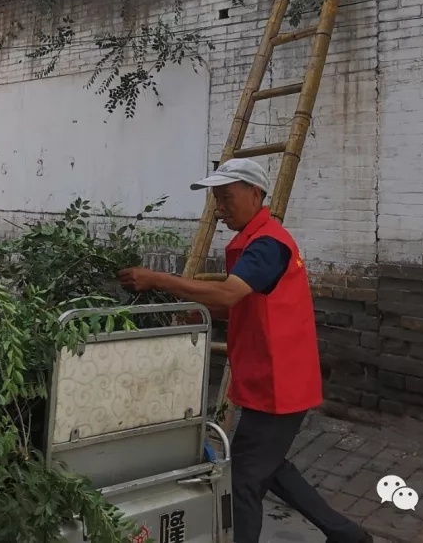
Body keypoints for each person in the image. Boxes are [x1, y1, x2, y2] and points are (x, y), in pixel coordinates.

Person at [118, 158, 373, 543]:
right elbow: (238, 303)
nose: (219, 208)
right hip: (268, 376)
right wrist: (196, 310)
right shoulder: (257, 242)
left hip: (280, 384)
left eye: (225, 197)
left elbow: (229, 292)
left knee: (243, 481)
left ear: (255, 194)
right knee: (269, 468)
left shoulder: (268, 244)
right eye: (216, 200)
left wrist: (157, 279)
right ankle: (348, 535)